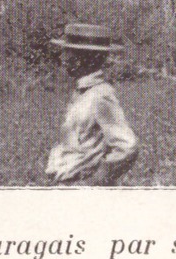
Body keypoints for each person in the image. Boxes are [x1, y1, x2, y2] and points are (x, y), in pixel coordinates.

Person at [45, 22, 140, 186]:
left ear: (82, 59)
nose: (62, 58)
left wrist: (97, 180)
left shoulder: (100, 95)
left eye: (68, 52)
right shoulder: (83, 93)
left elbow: (127, 146)